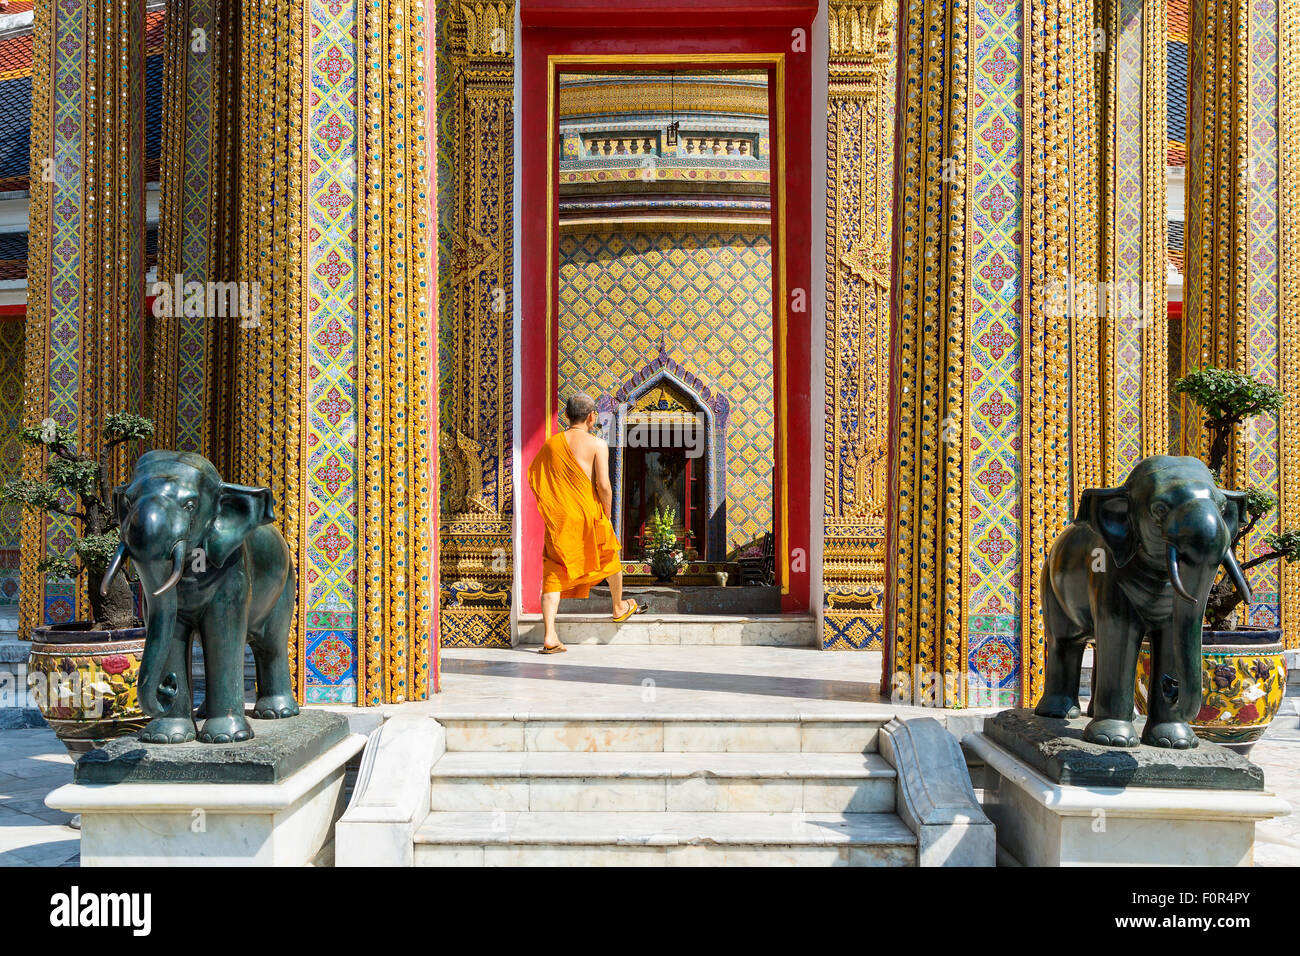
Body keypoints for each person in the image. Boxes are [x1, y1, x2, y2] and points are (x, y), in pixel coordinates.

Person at [527, 393, 645, 653]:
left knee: (553, 572)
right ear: (592, 417)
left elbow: (536, 479)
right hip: (588, 513)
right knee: (610, 556)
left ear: (566, 416)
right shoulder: (597, 444)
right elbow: (604, 485)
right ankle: (617, 607)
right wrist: (606, 512)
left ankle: (549, 635)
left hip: (560, 518)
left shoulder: (551, 445)